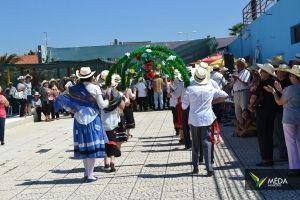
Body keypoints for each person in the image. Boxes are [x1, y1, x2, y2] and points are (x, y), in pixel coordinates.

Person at [55, 67, 110, 182]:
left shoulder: (73, 89)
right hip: (93, 119)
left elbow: (60, 99)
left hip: (78, 120)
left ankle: (86, 173)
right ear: (91, 76)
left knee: (85, 147)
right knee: (92, 148)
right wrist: (108, 101)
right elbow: (102, 105)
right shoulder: (95, 88)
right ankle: (90, 175)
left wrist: (71, 109)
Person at [182, 67, 228, 176]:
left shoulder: (190, 89)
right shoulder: (210, 88)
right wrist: (212, 102)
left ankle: (195, 166)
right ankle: (209, 167)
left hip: (194, 119)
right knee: (207, 142)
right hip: (207, 118)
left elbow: (184, 107)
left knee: (195, 143)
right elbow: (225, 95)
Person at [264, 65, 300, 171]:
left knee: (291, 143)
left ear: (294, 76)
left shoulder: (290, 88)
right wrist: (280, 90)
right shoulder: (290, 89)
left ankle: (294, 167)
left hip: (289, 118)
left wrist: (274, 92)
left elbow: (280, 102)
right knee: (298, 141)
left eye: (291, 75)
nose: (289, 77)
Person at [248, 63, 279, 167]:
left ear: (267, 73)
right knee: (269, 136)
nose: (260, 72)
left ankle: (265, 160)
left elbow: (254, 97)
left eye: (262, 71)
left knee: (262, 136)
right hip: (272, 112)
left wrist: (250, 105)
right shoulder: (275, 81)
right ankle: (269, 158)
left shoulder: (262, 83)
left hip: (263, 111)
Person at [273, 64, 291, 161]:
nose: (278, 72)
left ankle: (283, 155)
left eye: (280, 71)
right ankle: (282, 153)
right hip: (277, 110)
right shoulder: (277, 81)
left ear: (284, 72)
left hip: (283, 111)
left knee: (282, 134)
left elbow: (284, 98)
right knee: (278, 132)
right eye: (277, 71)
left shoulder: (288, 83)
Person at [232, 58, 251, 133]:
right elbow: (232, 84)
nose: (238, 64)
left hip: (244, 92)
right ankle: (241, 129)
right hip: (236, 92)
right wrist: (232, 81)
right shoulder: (236, 72)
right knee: (237, 112)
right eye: (238, 63)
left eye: (240, 63)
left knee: (244, 112)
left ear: (243, 64)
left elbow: (246, 83)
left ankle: (244, 130)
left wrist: (237, 78)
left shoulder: (246, 72)